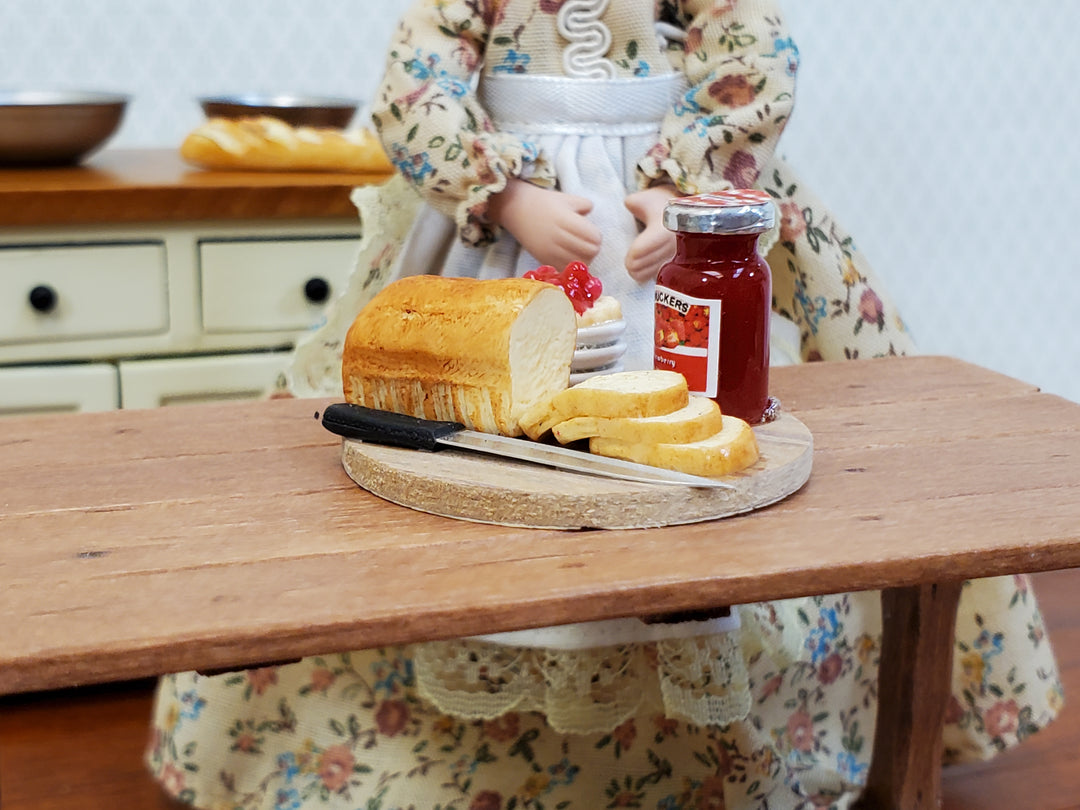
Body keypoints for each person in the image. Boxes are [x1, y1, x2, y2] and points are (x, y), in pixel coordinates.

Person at [147, 2, 1063, 808]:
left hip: (670, 210)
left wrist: (690, 185)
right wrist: (502, 193)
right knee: (461, 440)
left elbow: (747, 45)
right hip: (509, 222)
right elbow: (420, 74)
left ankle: (718, 756)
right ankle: (454, 762)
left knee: (730, 443)